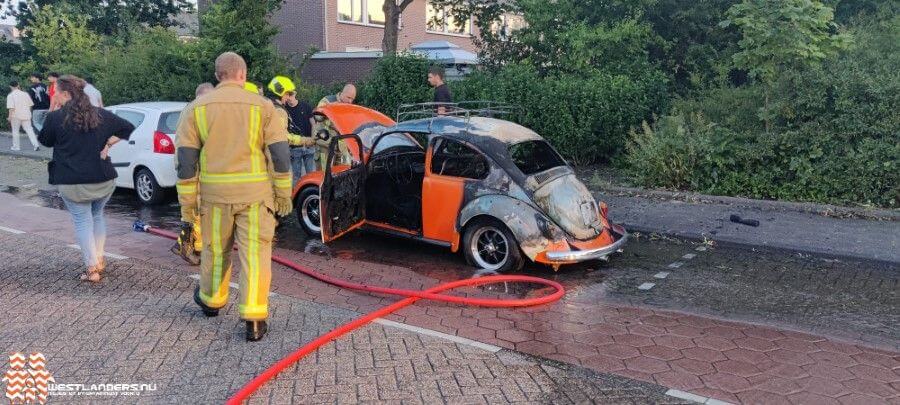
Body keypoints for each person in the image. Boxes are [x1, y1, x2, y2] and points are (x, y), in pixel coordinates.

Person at [175, 52, 293, 342]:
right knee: (256, 255)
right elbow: (280, 155)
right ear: (243, 74)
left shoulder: (196, 109)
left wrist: (188, 207)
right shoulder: (263, 107)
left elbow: (186, 162)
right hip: (256, 198)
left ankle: (212, 301)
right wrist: (283, 194)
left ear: (218, 76)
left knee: (216, 251)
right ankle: (254, 318)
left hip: (215, 198)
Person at [37, 75, 135, 282]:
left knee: (82, 221)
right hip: (103, 178)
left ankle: (92, 269)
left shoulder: (56, 118)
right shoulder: (101, 115)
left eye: (55, 92)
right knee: (97, 216)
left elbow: (44, 141)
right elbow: (128, 128)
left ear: (65, 94)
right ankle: (98, 259)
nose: (53, 96)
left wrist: (52, 113)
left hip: (72, 181)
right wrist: (108, 144)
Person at [267, 76, 315, 184]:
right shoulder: (279, 111)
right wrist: (305, 140)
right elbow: (283, 136)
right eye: (287, 94)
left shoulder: (266, 105)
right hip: (275, 156)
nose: (288, 98)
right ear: (282, 93)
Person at [314, 83, 356, 170]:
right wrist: (332, 109)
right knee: (324, 175)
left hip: (340, 147)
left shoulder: (348, 106)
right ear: (342, 93)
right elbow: (318, 116)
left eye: (352, 99)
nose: (350, 101)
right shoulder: (327, 101)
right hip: (325, 145)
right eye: (348, 97)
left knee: (341, 174)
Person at [6, 81, 40, 152]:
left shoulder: (10, 95)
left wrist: (9, 117)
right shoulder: (25, 94)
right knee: (29, 130)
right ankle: (36, 145)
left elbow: (11, 108)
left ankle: (16, 147)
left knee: (15, 131)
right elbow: (30, 105)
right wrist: (28, 112)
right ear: (18, 85)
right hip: (26, 114)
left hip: (15, 116)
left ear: (10, 86)